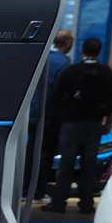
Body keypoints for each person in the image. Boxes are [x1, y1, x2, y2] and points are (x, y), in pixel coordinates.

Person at [45, 37, 112, 215]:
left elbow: (56, 98)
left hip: (71, 124)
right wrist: (107, 124)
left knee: (67, 164)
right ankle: (86, 204)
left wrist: (61, 119)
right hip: (94, 124)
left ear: (82, 51)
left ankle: (59, 203)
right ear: (99, 51)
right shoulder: (107, 73)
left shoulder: (71, 71)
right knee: (89, 165)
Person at [23, 29, 73, 202]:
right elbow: (63, 93)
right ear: (67, 43)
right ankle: (37, 192)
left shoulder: (40, 57)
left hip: (30, 112)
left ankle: (23, 189)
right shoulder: (64, 63)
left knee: (28, 151)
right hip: (48, 115)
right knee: (44, 153)